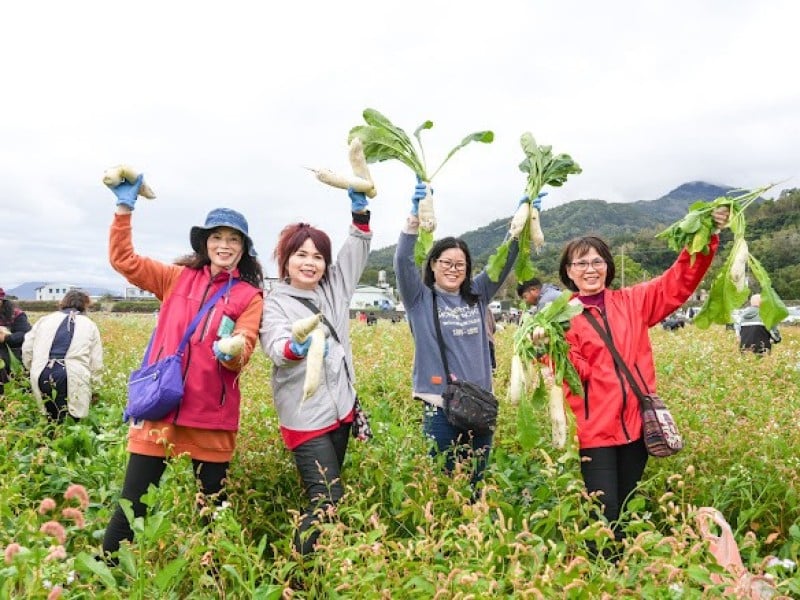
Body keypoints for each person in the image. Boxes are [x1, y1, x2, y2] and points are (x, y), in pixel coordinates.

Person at [533, 206, 730, 543]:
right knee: (604, 513)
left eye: (597, 261)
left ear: (608, 266)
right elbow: (576, 377)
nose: (590, 269)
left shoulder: (633, 301)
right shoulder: (561, 318)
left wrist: (707, 235)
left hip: (638, 426)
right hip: (595, 430)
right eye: (580, 263)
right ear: (569, 271)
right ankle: (604, 578)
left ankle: (624, 575)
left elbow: (678, 281)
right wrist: (549, 349)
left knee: (625, 508)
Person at [101, 174, 264, 558]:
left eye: (233, 239)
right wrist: (124, 209)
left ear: (243, 249)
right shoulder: (176, 279)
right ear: (205, 244)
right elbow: (124, 260)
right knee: (131, 505)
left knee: (212, 512)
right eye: (217, 238)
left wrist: (233, 352)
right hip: (160, 409)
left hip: (211, 416)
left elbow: (247, 343)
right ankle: (105, 575)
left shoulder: (248, 295)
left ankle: (213, 582)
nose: (224, 245)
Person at [393, 182, 534, 493]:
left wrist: (521, 220)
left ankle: (473, 537)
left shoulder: (478, 294)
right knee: (444, 488)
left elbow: (504, 259)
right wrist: (414, 219)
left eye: (461, 264)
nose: (453, 269)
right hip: (440, 407)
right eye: (446, 262)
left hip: (480, 406)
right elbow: (402, 262)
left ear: (468, 269)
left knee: (474, 484)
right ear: (432, 264)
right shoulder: (420, 299)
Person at [260, 188, 372, 556]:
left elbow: (354, 254)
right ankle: (296, 571)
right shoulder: (275, 303)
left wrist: (360, 215)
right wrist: (296, 348)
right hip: (305, 416)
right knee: (327, 498)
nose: (311, 262)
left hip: (340, 410)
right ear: (285, 260)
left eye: (318, 256)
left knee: (325, 493)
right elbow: (276, 347)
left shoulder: (334, 290)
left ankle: (319, 560)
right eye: (301, 255)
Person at [21, 290, 103, 422]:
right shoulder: (89, 325)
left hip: (42, 372)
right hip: (73, 375)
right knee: (71, 420)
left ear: (63, 302)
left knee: (49, 418)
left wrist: (33, 368)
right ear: (85, 305)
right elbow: (96, 361)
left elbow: (27, 348)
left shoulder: (45, 320)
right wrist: (95, 386)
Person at [0, 288, 31, 394]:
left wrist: (6, 338)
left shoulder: (16, 314)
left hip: (12, 356)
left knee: (20, 388)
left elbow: (25, 334)